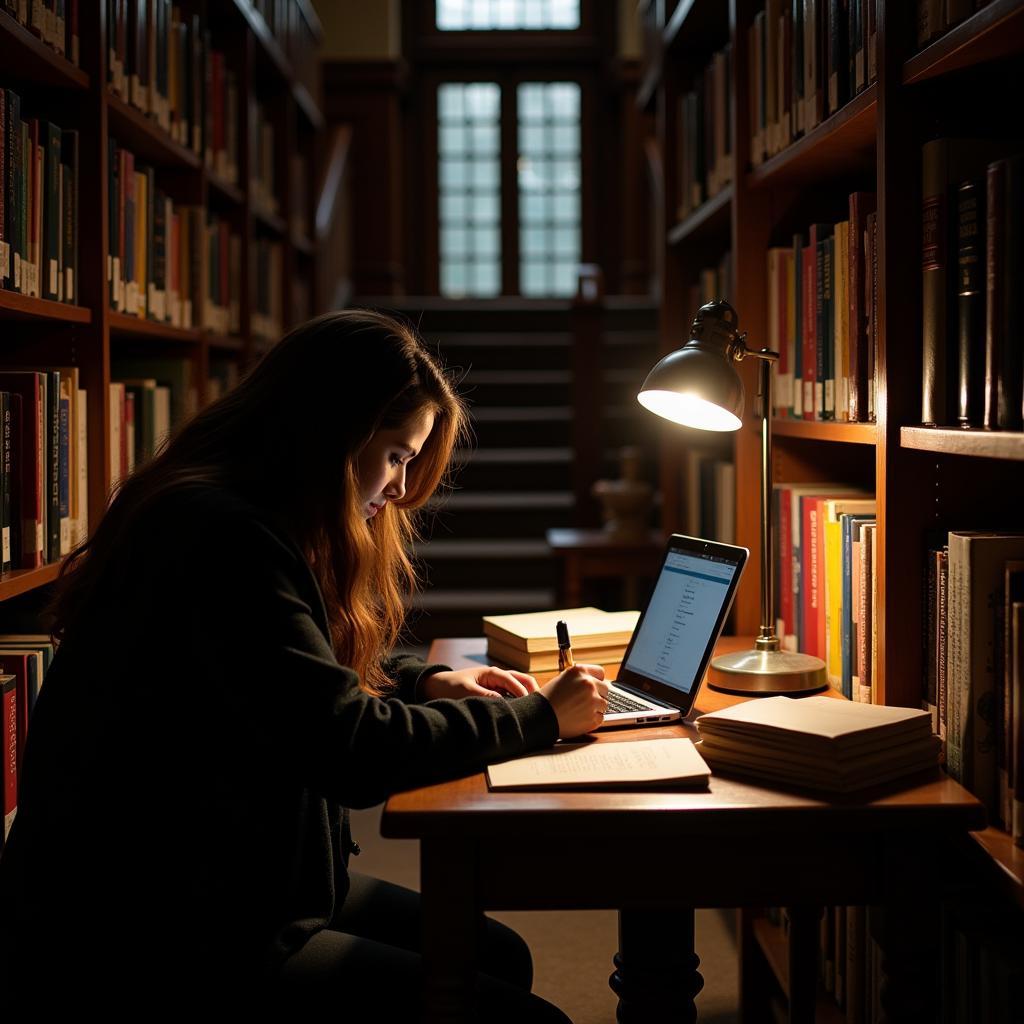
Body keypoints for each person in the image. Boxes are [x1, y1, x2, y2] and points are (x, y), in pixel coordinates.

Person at [0, 310, 609, 1018]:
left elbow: (289, 667)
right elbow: (349, 750)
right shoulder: (222, 538)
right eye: (396, 456)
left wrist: (425, 678)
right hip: (158, 933)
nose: (400, 489)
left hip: (232, 878)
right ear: (333, 433)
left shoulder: (239, 512)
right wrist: (539, 717)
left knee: (500, 955)